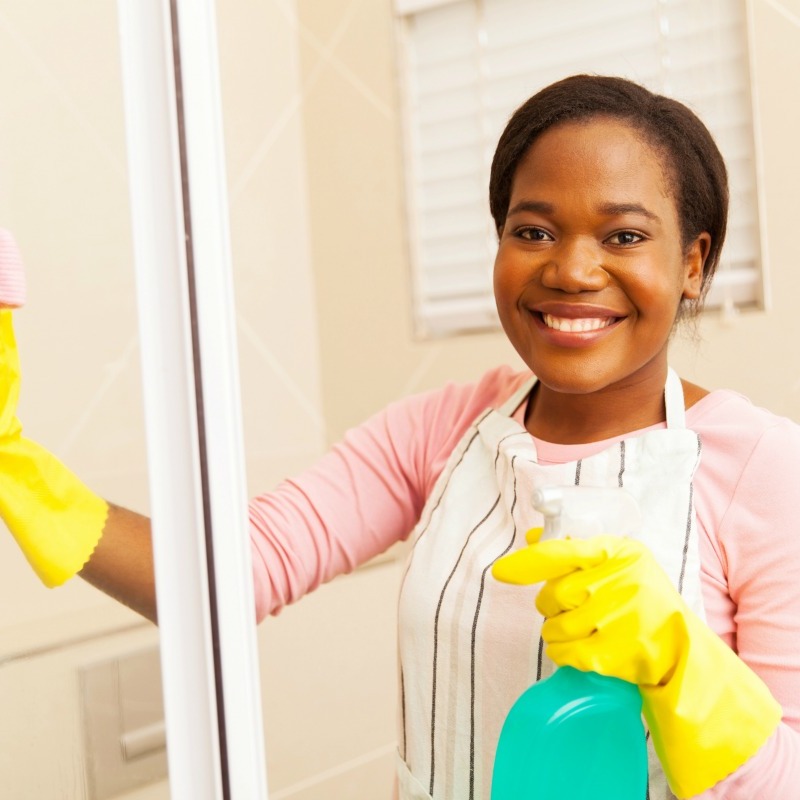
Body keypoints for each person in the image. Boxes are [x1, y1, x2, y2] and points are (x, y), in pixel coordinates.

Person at [2, 75, 798, 799]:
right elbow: (224, 579)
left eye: (623, 236)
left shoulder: (763, 469)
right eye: (533, 231)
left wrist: (685, 674)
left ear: (693, 263)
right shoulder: (448, 427)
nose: (572, 271)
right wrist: (14, 465)